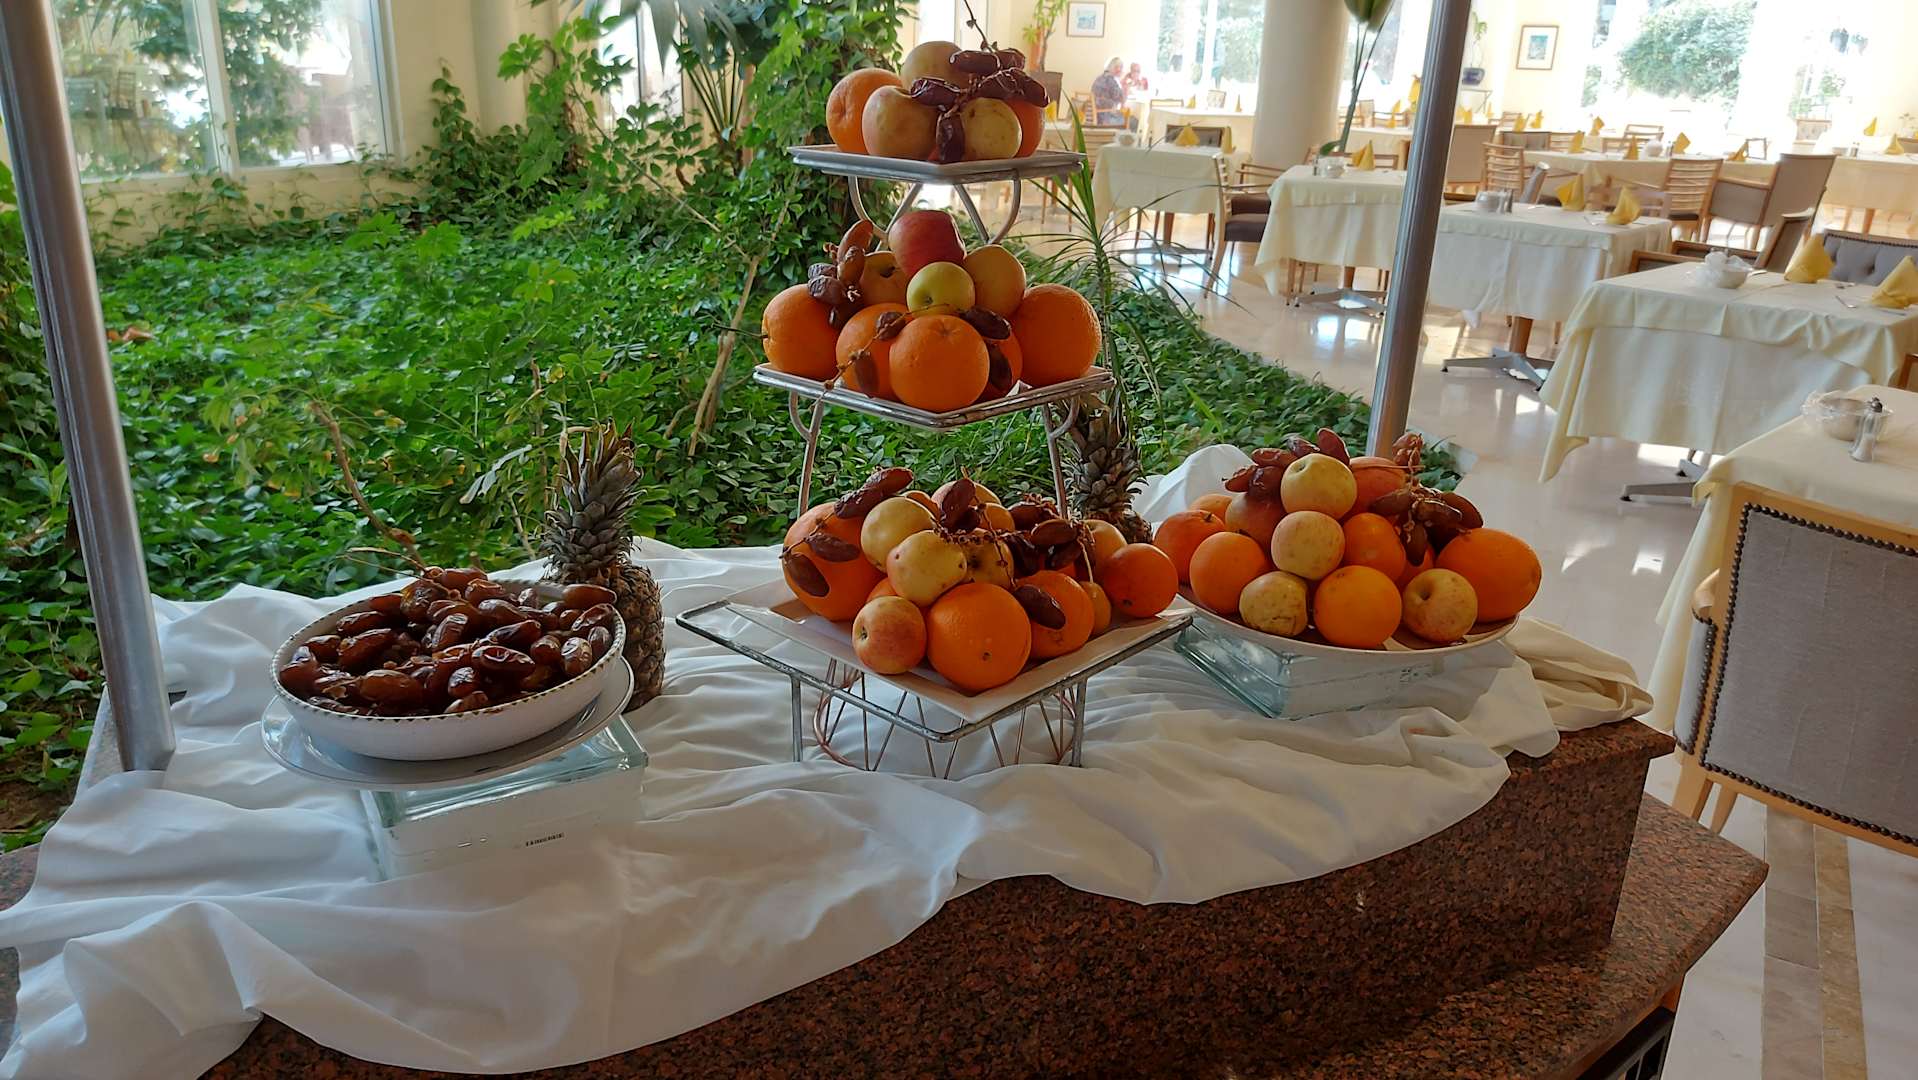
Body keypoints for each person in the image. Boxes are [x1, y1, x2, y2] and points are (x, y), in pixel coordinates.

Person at [1091, 58, 1124, 126]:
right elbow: (1121, 99)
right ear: (1115, 68)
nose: (1121, 70)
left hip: (1093, 114)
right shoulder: (1110, 80)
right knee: (1132, 121)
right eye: (1120, 67)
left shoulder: (1100, 77)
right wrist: (1126, 87)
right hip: (1105, 117)